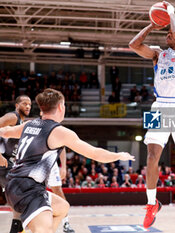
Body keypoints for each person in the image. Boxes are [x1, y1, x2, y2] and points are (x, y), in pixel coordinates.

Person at [0, 88, 134, 233]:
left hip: (13, 184)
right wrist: (118, 155)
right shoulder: (59, 131)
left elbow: (5, 131)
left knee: (63, 207)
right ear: (60, 107)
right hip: (28, 189)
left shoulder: (30, 124)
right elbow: (94, 153)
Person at [129, 1, 175, 230]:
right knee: (151, 156)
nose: (168, 35)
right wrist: (151, 25)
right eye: (168, 33)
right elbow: (133, 44)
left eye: (172, 33)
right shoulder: (158, 55)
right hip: (159, 106)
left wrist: (171, 15)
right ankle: (152, 204)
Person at [0, 95, 31, 233]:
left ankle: (17, 229)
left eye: (30, 104)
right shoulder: (12, 117)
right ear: (16, 105)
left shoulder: (24, 123)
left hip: (8, 166)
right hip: (3, 163)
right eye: (24, 103)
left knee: (19, 201)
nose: (28, 106)